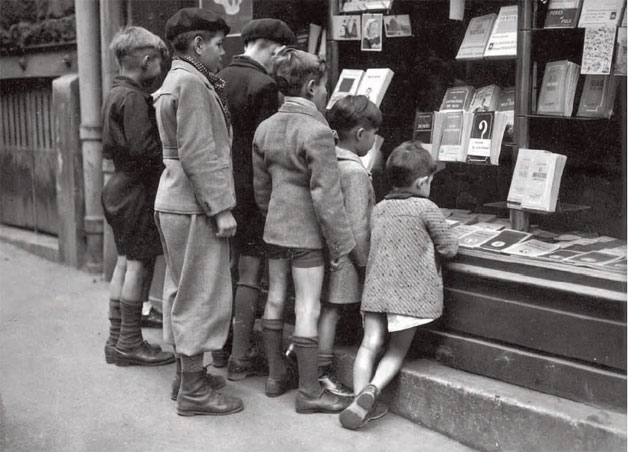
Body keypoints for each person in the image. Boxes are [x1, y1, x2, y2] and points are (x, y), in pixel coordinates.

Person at [253, 47, 356, 413]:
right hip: (308, 235)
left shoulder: (265, 128)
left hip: (275, 230)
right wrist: (343, 244)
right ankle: (310, 392)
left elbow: (261, 189)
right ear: (312, 87)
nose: (327, 93)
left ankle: (275, 377)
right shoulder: (317, 131)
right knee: (309, 307)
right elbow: (327, 198)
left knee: (276, 299)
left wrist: (274, 217)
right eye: (325, 87)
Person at [153, 8, 243, 416]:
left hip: (177, 199)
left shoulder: (178, 78)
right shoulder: (191, 82)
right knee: (201, 293)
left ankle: (184, 376)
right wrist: (221, 208)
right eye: (219, 44)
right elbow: (198, 152)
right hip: (194, 205)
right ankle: (193, 390)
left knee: (180, 289)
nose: (224, 53)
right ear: (198, 44)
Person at [339, 141, 458, 429]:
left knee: (369, 345)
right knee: (395, 350)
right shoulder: (426, 208)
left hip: (377, 291)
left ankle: (357, 398)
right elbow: (449, 247)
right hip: (410, 295)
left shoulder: (379, 209)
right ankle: (374, 389)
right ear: (422, 182)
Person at [216, 18, 296, 382]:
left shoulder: (219, 76)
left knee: (225, 269)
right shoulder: (263, 84)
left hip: (220, 190)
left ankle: (219, 348)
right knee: (249, 273)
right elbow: (267, 150)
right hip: (251, 194)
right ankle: (240, 356)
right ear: (275, 49)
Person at [101, 26, 174, 367]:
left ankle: (117, 340)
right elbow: (144, 149)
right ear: (147, 60)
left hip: (118, 186)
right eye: (159, 60)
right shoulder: (134, 98)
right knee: (138, 266)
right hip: (136, 191)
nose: (161, 66)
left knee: (124, 261)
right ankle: (130, 342)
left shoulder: (116, 92)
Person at [319, 95, 382, 397]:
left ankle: (308, 355)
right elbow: (358, 226)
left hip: (329, 250)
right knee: (332, 310)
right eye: (374, 134)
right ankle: (322, 370)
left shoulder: (330, 160)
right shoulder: (356, 172)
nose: (375, 140)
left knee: (327, 309)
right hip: (346, 258)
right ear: (360, 134)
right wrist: (365, 263)